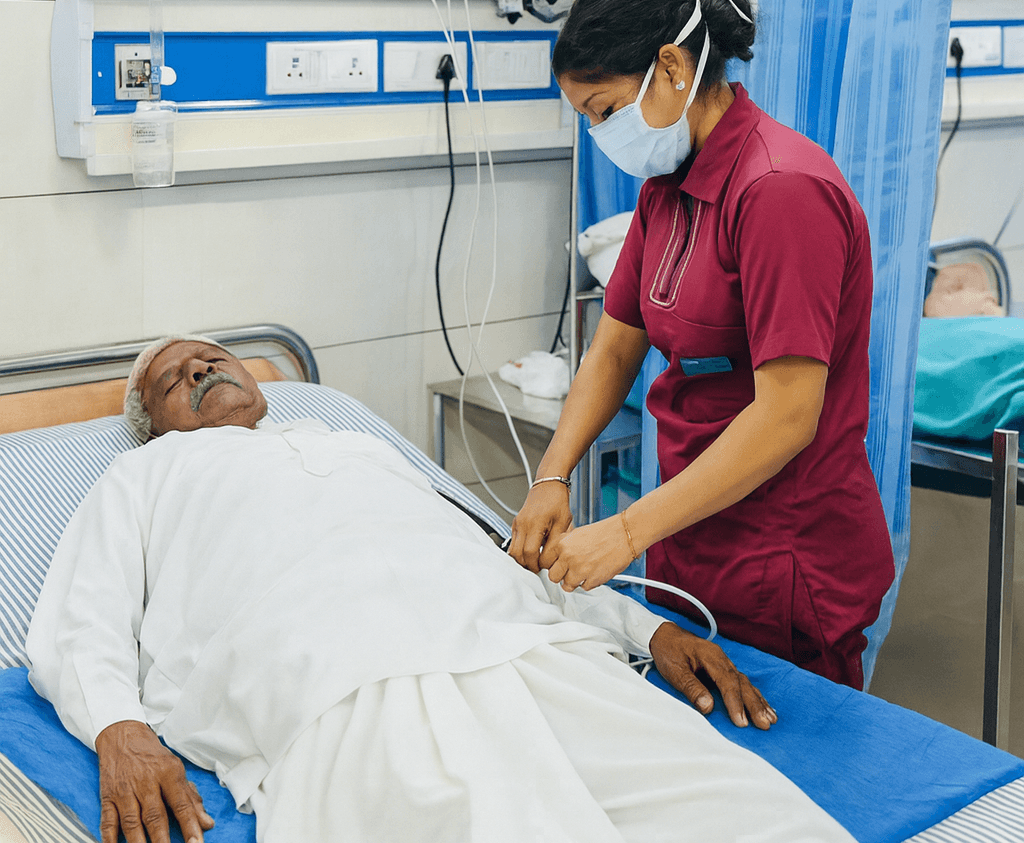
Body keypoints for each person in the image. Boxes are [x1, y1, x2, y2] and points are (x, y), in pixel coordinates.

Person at [26, 337, 855, 843]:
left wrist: (642, 632)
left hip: (527, 652)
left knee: (736, 810)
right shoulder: (144, 476)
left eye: (213, 354)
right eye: (176, 377)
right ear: (151, 421)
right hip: (342, 685)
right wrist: (118, 726)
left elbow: (503, 555)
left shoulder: (354, 445)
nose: (202, 366)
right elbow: (82, 615)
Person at [510, 0, 894, 690]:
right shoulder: (669, 186)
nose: (602, 136)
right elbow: (618, 342)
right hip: (694, 533)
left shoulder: (780, 191)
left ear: (674, 67)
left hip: (786, 554)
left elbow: (787, 415)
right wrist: (553, 474)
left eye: (607, 110)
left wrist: (623, 533)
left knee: (792, 772)